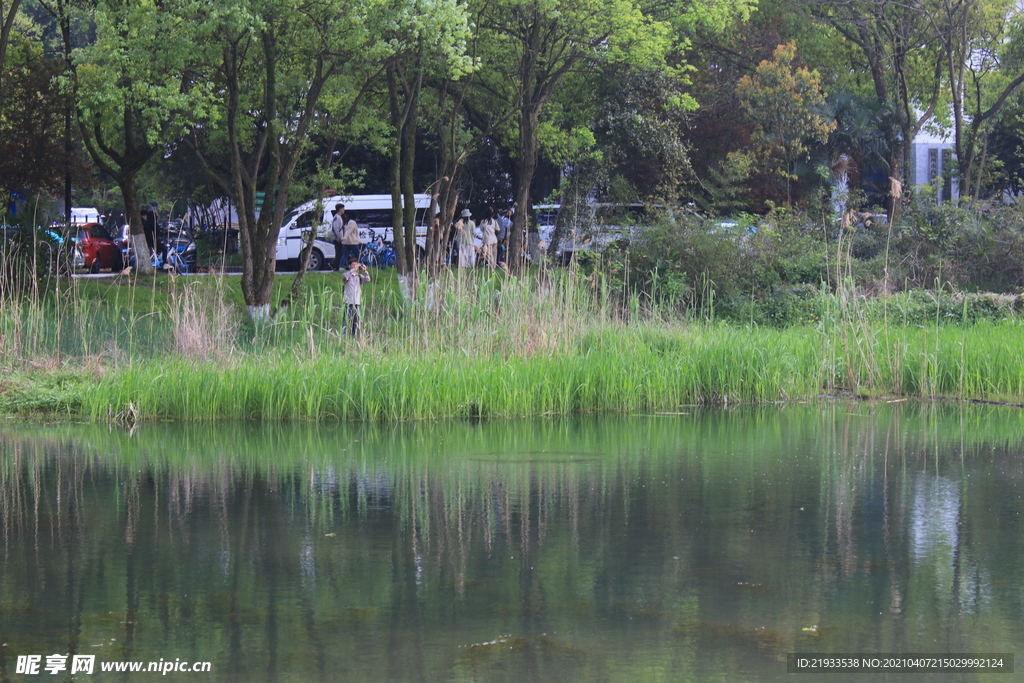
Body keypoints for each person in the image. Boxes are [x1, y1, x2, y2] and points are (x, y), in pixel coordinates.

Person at [342, 256, 371, 337]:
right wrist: (352, 271)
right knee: (347, 320)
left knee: (356, 321)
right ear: (349, 266)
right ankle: (344, 335)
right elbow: (344, 277)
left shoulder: (359, 276)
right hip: (349, 302)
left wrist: (365, 271)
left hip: (357, 302)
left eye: (356, 264)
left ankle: (354, 336)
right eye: (353, 264)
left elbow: (367, 279)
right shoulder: (347, 275)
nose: (355, 266)